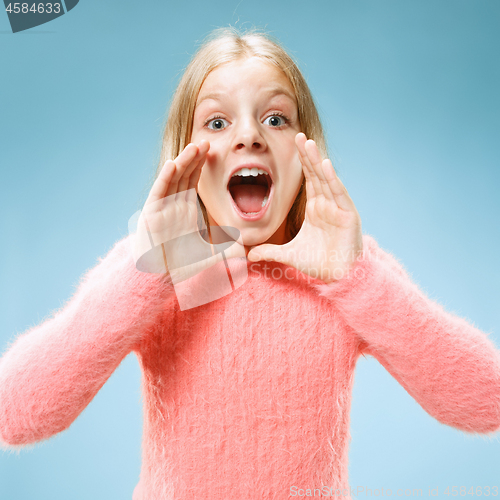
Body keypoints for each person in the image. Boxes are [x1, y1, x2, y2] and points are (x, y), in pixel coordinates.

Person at [1, 27, 499, 499]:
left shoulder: (350, 272)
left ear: (307, 151)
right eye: (217, 122)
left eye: (276, 118)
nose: (249, 136)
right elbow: (15, 413)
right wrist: (147, 272)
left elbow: (487, 402)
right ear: (186, 157)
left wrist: (357, 280)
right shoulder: (146, 272)